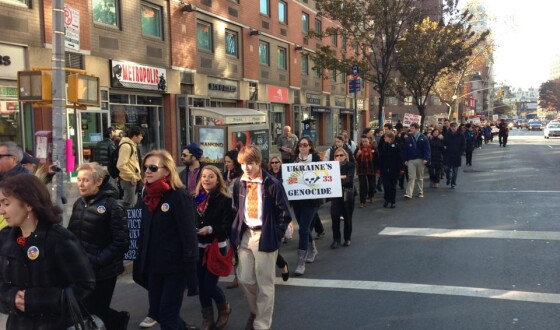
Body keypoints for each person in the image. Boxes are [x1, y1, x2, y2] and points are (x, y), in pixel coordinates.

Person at [0, 174, 95, 329]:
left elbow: (85, 284)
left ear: (28, 204)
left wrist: (39, 300)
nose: (2, 211)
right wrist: (11, 297)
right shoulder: (5, 238)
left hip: (55, 324)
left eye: (6, 203)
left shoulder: (58, 238)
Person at [134, 150, 199, 329]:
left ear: (167, 170)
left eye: (153, 167)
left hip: (175, 267)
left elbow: (188, 235)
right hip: (154, 266)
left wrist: (191, 267)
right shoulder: (146, 196)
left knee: (167, 316)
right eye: (145, 167)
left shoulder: (179, 196)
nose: (147, 171)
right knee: (159, 314)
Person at [231, 145, 292, 330]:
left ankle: (262, 324)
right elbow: (236, 208)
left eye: (250, 163)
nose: (246, 168)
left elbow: (284, 213)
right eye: (243, 164)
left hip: (264, 235)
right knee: (244, 279)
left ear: (258, 162)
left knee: (265, 284)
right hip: (246, 234)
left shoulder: (272, 184)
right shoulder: (238, 183)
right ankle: (256, 311)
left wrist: (277, 234)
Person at [68, 162, 130, 329]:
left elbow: (122, 241)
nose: (81, 184)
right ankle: (117, 321)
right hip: (82, 268)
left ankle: (118, 321)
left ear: (99, 181)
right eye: (79, 180)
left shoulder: (113, 206)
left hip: (104, 271)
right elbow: (71, 235)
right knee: (83, 308)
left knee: (97, 309)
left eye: (86, 180)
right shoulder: (79, 204)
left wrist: (98, 260)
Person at [194, 166, 236, 330]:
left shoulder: (224, 199)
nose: (206, 179)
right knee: (201, 285)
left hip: (215, 248)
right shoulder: (197, 197)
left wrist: (210, 229)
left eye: (210, 176)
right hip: (198, 246)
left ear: (217, 179)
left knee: (209, 285)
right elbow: (193, 218)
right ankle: (207, 318)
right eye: (204, 176)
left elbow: (227, 227)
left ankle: (224, 307)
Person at [290, 137, 323, 275]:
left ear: (310, 146)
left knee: (303, 228)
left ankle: (301, 262)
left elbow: (322, 177)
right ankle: (313, 248)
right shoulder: (293, 160)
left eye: (305, 145)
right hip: (298, 199)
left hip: (312, 200)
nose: (302, 147)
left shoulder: (316, 160)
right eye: (300, 145)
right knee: (304, 227)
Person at [330, 148, 356, 248]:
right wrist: (341, 177)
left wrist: (338, 178)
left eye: (341, 155)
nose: (339, 157)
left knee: (347, 217)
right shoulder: (331, 166)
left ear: (345, 156)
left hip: (347, 193)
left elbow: (349, 180)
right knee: (335, 217)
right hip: (335, 194)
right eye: (337, 156)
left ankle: (347, 238)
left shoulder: (350, 165)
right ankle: (336, 239)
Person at [117, 126, 144, 207]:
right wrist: (132, 175)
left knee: (132, 204)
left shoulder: (132, 145)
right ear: (135, 136)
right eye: (140, 135)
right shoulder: (126, 146)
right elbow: (120, 164)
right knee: (129, 206)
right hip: (128, 180)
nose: (142, 137)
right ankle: (125, 220)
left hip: (132, 179)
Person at [403, 123, 431, 199]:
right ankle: (409, 193)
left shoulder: (423, 138)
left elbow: (427, 149)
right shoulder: (409, 138)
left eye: (412, 128)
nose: (411, 129)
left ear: (417, 129)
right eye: (411, 128)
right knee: (411, 177)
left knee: (419, 177)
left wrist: (426, 158)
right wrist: (405, 159)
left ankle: (420, 192)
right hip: (411, 160)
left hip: (420, 159)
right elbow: (406, 150)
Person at [378, 132, 403, 208]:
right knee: (386, 186)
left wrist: (401, 168)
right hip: (385, 168)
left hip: (394, 168)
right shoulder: (383, 146)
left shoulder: (396, 146)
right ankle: (387, 199)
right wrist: (379, 168)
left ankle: (392, 201)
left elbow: (399, 158)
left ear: (390, 138)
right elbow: (381, 157)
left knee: (393, 186)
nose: (384, 138)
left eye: (386, 137)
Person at [355, 134, 376, 208]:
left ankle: (371, 196)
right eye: (363, 141)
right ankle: (362, 201)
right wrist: (358, 154)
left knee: (372, 184)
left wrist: (377, 168)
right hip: (361, 169)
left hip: (371, 168)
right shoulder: (358, 148)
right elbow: (355, 158)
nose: (365, 143)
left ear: (369, 141)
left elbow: (376, 158)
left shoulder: (373, 148)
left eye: (366, 141)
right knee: (362, 186)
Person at [443, 122, 465, 189]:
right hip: (448, 154)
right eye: (452, 126)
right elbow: (444, 143)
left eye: (454, 126)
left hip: (456, 155)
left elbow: (463, 144)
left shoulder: (461, 135)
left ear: (457, 127)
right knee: (446, 169)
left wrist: (461, 152)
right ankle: (448, 178)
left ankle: (453, 183)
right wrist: (444, 147)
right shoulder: (447, 134)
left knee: (455, 171)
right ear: (450, 127)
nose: (453, 128)